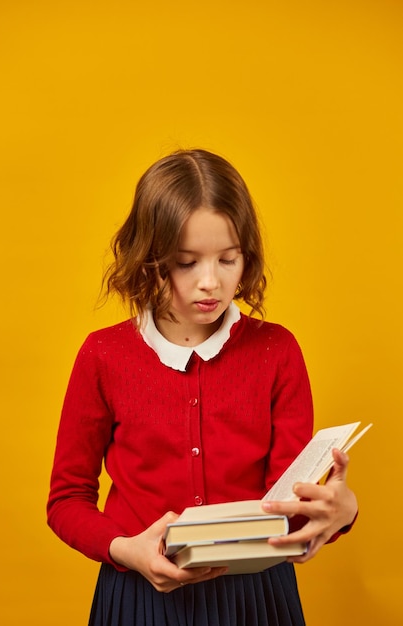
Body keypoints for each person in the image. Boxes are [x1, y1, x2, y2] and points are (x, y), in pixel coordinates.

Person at [47, 149, 358, 626]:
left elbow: (290, 505)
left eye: (227, 259)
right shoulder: (103, 356)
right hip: (137, 596)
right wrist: (125, 550)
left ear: (246, 256)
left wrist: (342, 511)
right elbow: (67, 499)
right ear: (148, 260)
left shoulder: (278, 351)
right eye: (186, 262)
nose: (210, 282)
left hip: (257, 597)